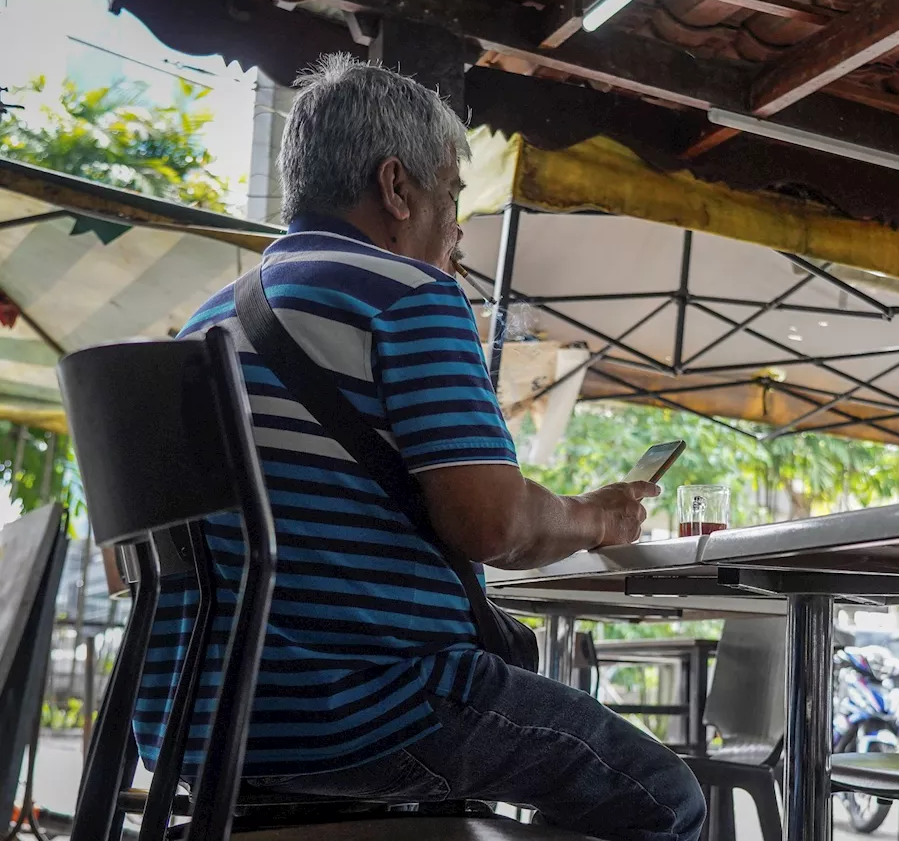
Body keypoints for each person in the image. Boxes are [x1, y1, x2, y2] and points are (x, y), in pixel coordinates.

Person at [132, 53, 706, 841]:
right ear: (398, 188)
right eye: (453, 194)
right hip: (368, 712)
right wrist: (599, 517)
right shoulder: (406, 294)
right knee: (662, 795)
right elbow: (492, 525)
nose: (459, 226)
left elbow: (139, 561)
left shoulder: (205, 324)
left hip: (196, 728)